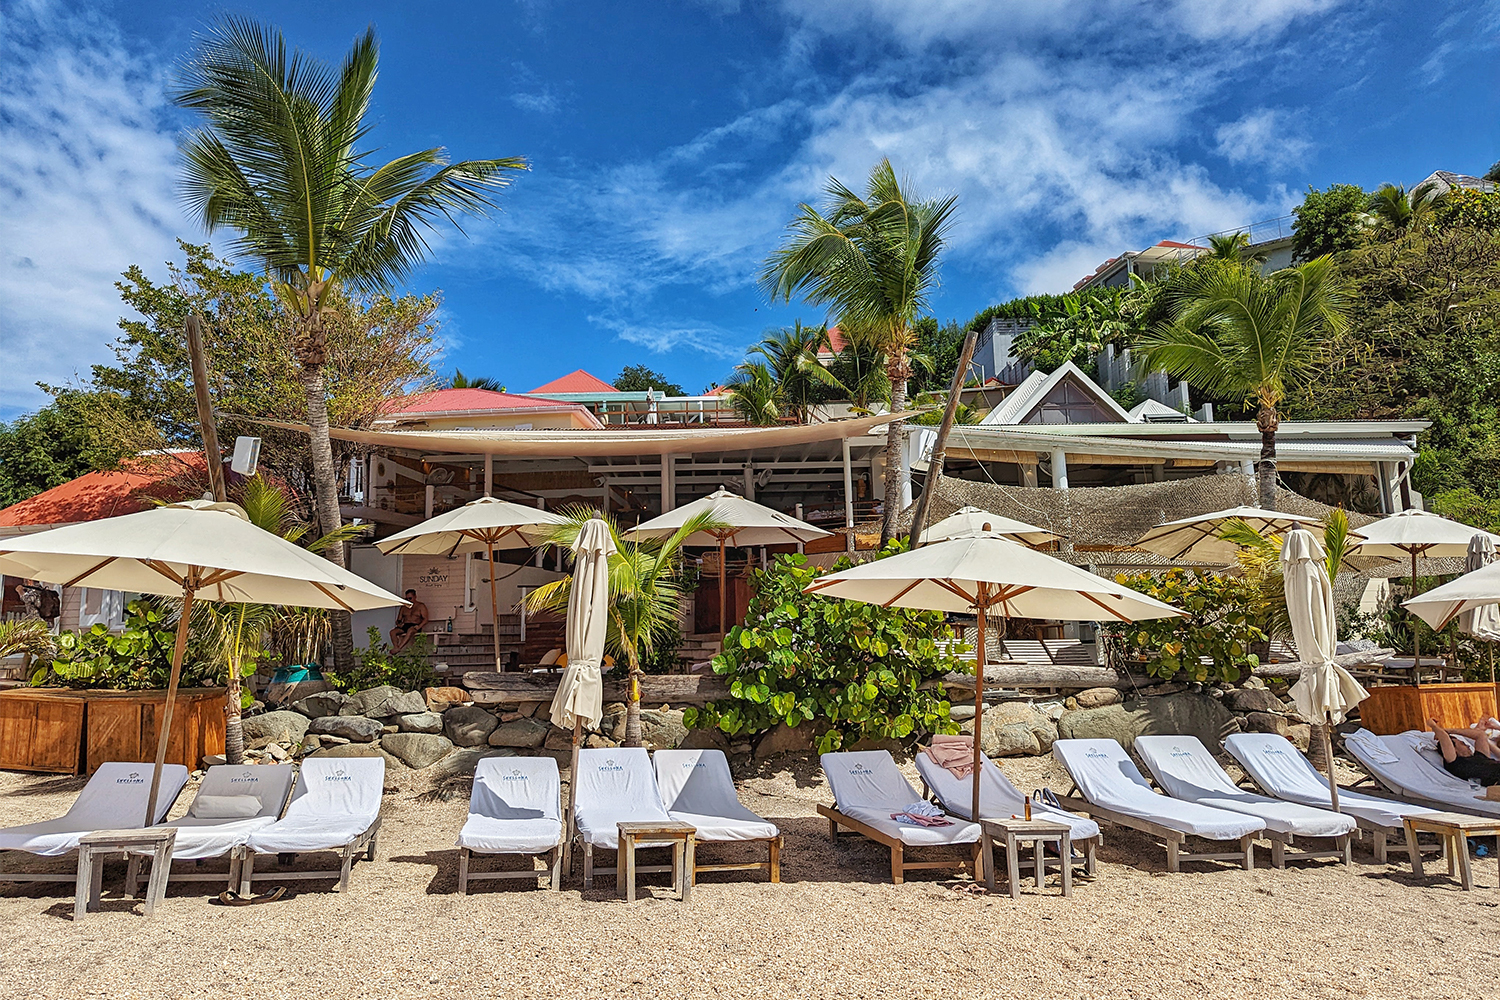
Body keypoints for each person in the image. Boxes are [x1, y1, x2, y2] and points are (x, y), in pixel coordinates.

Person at [1428, 718, 1500, 786]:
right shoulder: (1456, 763)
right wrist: (1433, 726)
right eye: (1463, 744)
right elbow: (1444, 737)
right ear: (1454, 749)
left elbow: (1480, 735)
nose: (1468, 745)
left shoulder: (1480, 756)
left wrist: (1450, 731)